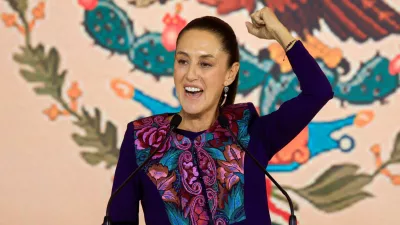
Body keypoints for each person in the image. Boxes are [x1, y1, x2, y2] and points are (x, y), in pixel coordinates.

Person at [108, 6, 334, 225]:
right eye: (183, 61)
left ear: (230, 74)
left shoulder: (248, 132)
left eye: (205, 64)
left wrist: (280, 34)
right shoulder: (143, 140)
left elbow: (318, 92)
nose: (191, 74)